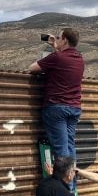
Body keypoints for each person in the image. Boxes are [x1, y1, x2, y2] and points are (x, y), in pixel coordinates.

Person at [28, 28, 84, 168]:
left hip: (57, 108)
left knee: (61, 151)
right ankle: (71, 188)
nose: (56, 39)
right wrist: (55, 46)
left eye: (58, 37)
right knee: (69, 148)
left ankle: (64, 188)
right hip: (74, 108)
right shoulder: (79, 59)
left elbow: (32, 68)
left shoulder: (57, 58)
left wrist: (55, 50)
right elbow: (63, 61)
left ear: (65, 40)